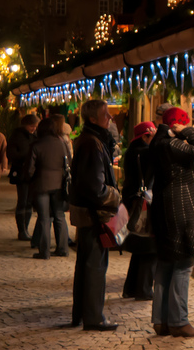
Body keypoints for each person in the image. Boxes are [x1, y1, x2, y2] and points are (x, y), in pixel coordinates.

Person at [148, 107, 194, 337]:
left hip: (164, 207)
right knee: (184, 263)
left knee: (165, 264)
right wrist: (189, 132)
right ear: (178, 123)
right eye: (184, 123)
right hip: (181, 209)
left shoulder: (157, 142)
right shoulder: (173, 145)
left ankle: (161, 321)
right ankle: (178, 321)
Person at [68, 99, 121, 331]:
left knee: (88, 265)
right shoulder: (92, 144)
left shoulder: (94, 141)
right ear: (92, 118)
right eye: (105, 114)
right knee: (94, 267)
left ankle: (82, 313)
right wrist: (116, 194)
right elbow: (94, 188)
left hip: (89, 213)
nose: (110, 118)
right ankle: (93, 317)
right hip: (94, 215)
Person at [121, 121, 157, 301]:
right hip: (143, 203)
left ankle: (131, 288)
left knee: (139, 248)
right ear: (145, 135)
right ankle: (143, 289)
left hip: (133, 201)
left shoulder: (131, 152)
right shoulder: (144, 152)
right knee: (149, 248)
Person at [29, 116, 71, 258]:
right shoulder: (62, 144)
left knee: (44, 218)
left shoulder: (37, 145)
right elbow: (69, 163)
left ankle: (44, 251)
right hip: (59, 185)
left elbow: (30, 169)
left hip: (41, 184)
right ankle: (63, 248)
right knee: (60, 216)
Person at [7, 114, 39, 240]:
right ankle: (22, 229)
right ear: (25, 125)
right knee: (23, 201)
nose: (33, 128)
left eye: (35, 126)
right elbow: (11, 154)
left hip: (33, 173)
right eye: (31, 126)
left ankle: (25, 228)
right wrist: (26, 156)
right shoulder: (17, 136)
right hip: (21, 172)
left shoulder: (35, 136)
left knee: (29, 202)